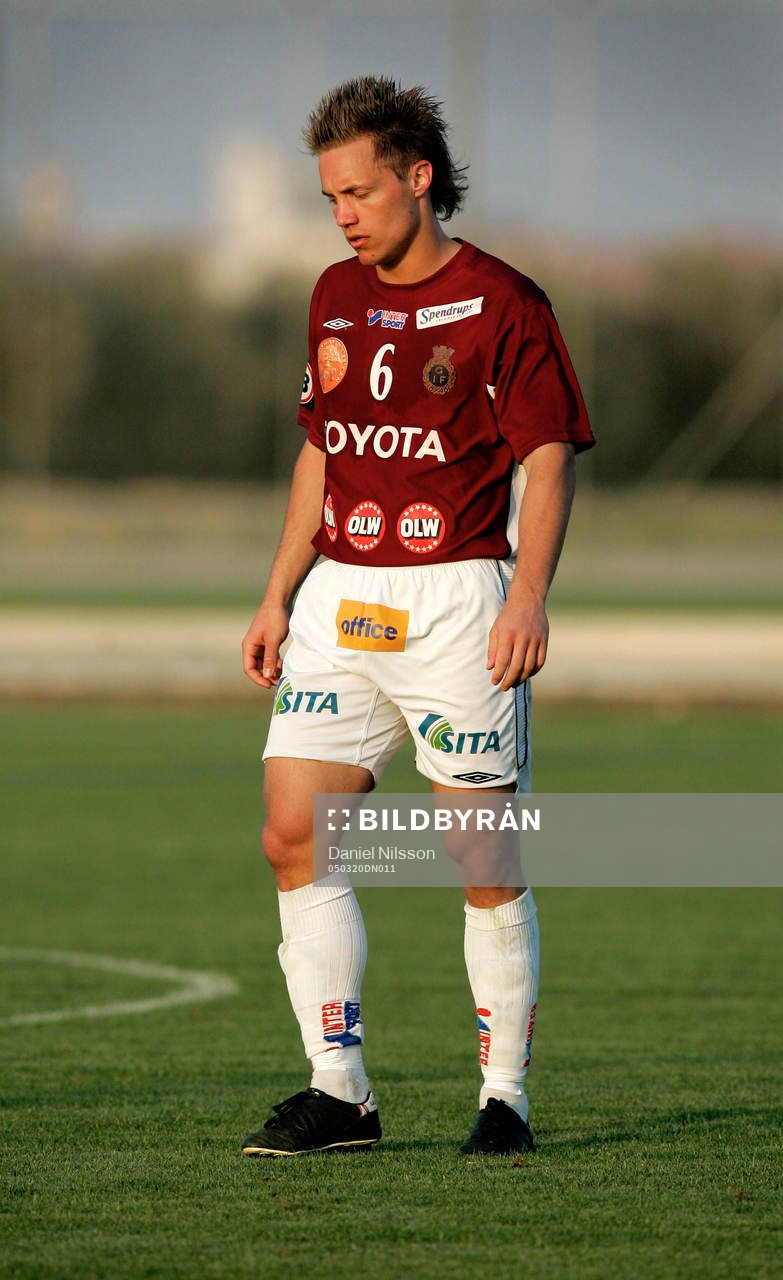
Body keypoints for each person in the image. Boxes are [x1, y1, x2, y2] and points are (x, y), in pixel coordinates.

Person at [240, 76, 594, 1158]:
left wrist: (529, 591)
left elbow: (545, 453)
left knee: (479, 853)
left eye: (357, 190)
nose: (342, 212)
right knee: (295, 831)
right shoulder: (333, 295)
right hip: (342, 600)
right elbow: (323, 450)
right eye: (329, 196)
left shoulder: (504, 300)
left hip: (457, 598)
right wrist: (278, 588)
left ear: (418, 177)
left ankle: (505, 1098)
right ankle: (340, 1090)